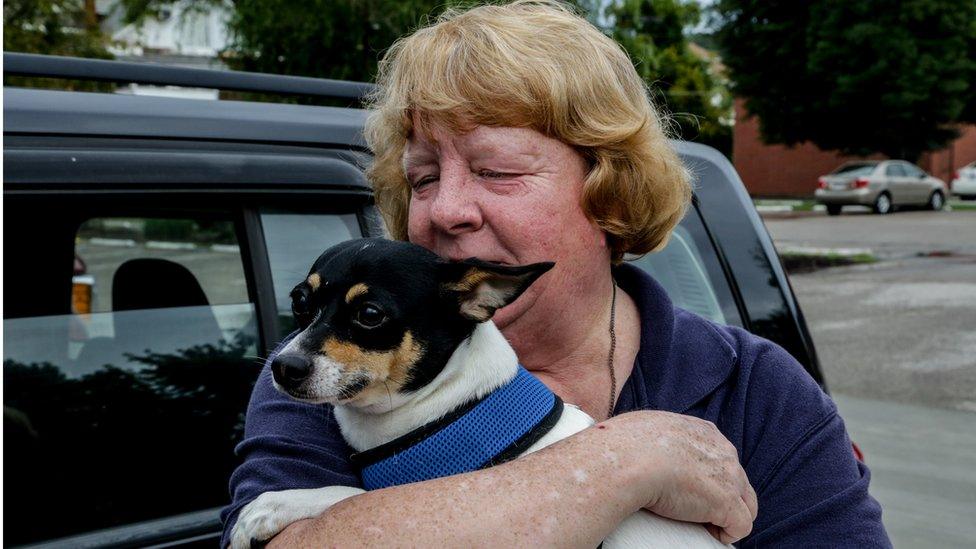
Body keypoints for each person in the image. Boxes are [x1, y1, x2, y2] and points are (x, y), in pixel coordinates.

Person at [221, 1, 890, 546]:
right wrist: (613, 467)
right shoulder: (331, 372)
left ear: (610, 191)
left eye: (495, 170)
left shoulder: (754, 389)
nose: (446, 208)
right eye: (422, 177)